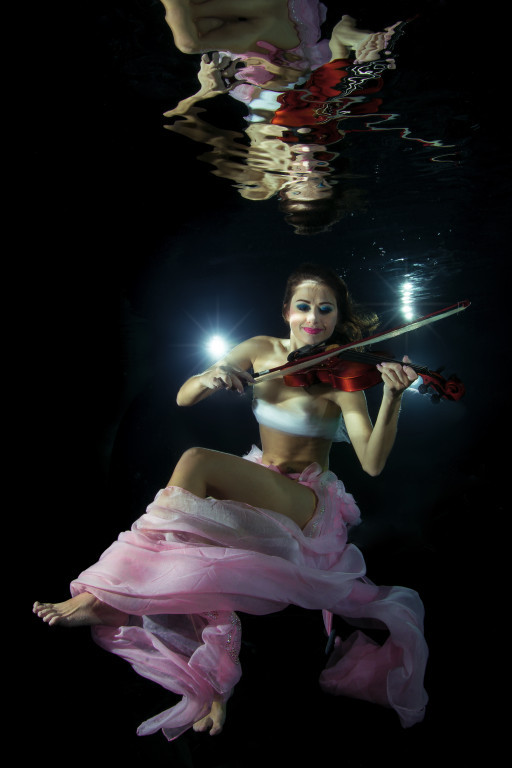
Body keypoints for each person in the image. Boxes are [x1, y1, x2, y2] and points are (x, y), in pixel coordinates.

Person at [33, 263, 428, 741]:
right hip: (261, 480)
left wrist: (393, 398)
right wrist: (212, 375)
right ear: (286, 311)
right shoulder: (260, 350)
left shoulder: (341, 378)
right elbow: (184, 397)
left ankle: (103, 595)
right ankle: (212, 686)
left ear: (337, 317)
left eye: (326, 310)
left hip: (306, 503)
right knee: (197, 547)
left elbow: (372, 463)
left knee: (196, 462)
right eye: (304, 306)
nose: (314, 318)